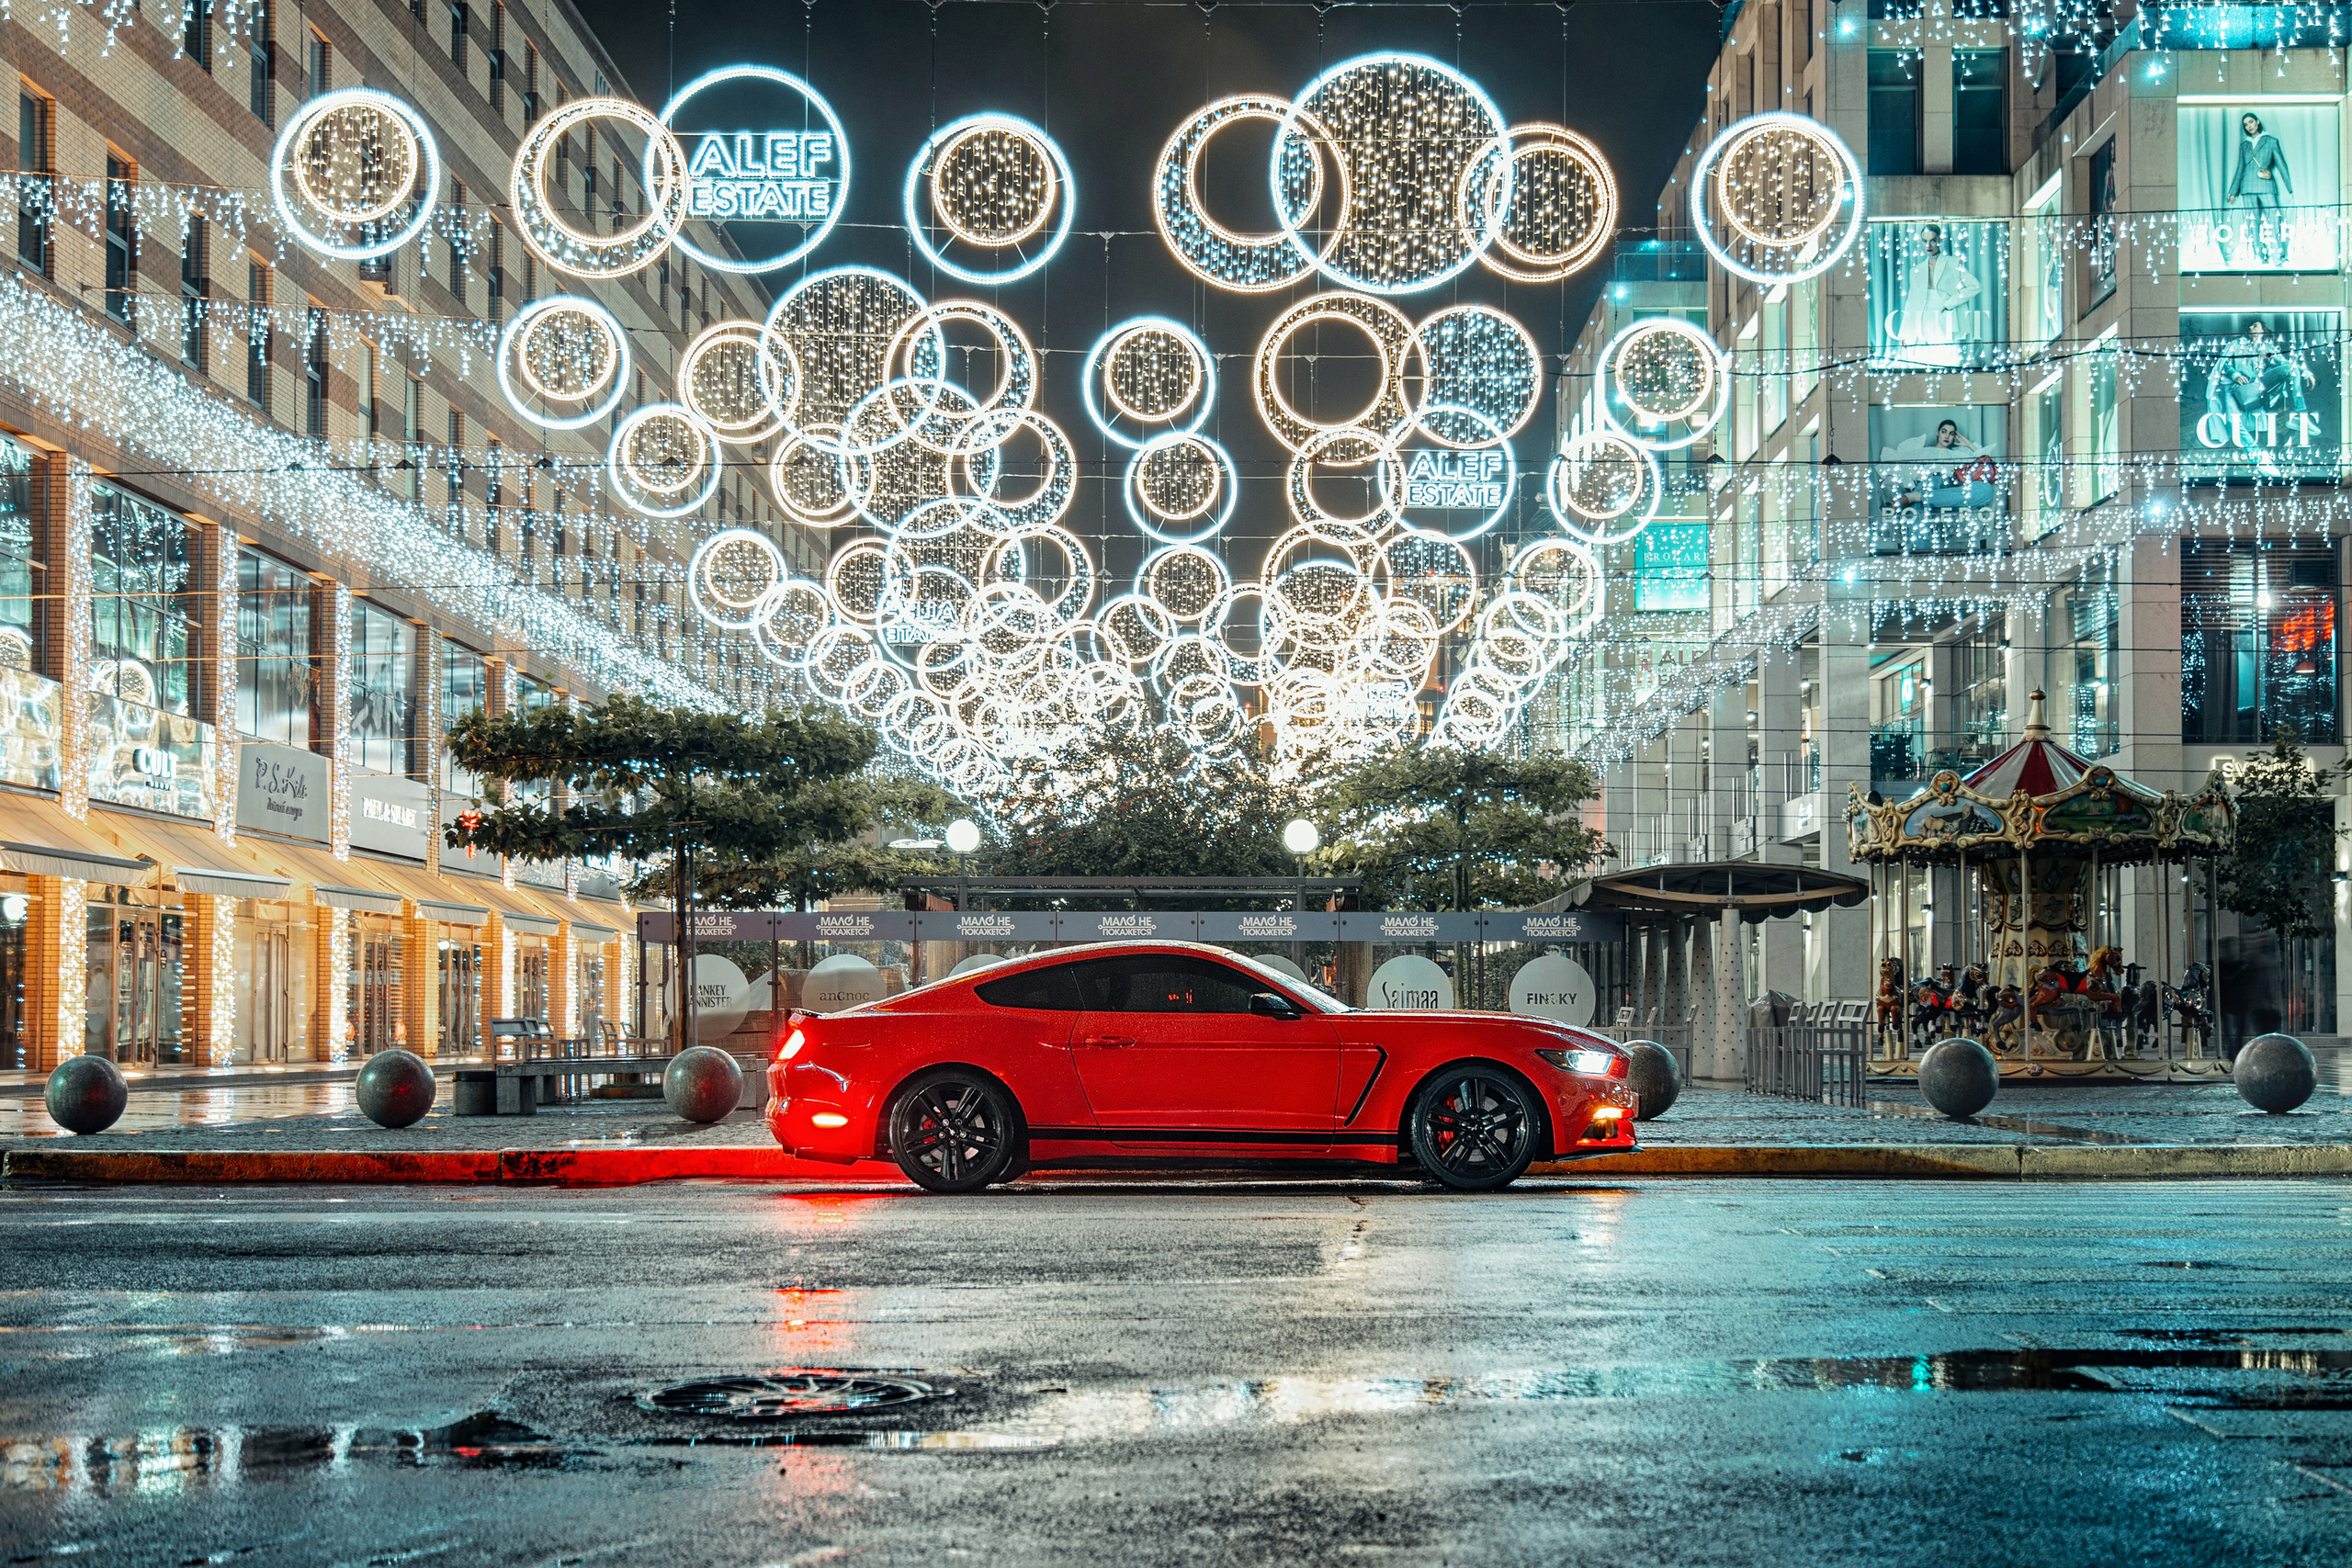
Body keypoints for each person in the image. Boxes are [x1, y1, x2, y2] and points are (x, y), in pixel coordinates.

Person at [2207, 318, 2314, 451]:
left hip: (2258, 384)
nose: (2251, 328)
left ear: (2263, 331)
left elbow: (2283, 362)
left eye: (2255, 326)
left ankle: (2298, 413)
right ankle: (2257, 454)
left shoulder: (2264, 351)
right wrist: (2235, 375)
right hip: (2236, 386)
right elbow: (2225, 363)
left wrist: (2305, 372)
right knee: (2233, 422)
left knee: (2292, 370)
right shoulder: (2237, 344)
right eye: (2250, 326)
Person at [1894, 222, 1983, 367]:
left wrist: (1949, 303)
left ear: (1940, 241)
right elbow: (1911, 301)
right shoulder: (1916, 270)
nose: (1928, 245)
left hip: (1944, 312)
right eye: (1925, 241)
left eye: (1933, 240)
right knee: (1924, 356)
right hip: (1923, 314)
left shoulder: (1953, 263)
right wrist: (1905, 331)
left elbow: (1975, 287)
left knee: (1946, 354)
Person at [2229, 112, 2294, 265]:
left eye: (2251, 122)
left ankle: (2278, 257)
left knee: (2274, 220)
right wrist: (2233, 190)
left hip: (2266, 185)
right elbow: (2240, 168)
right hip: (2247, 187)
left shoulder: (2271, 141)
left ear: (2257, 122)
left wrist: (2290, 186)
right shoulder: (2244, 146)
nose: (2249, 126)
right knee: (2253, 223)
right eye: (2246, 124)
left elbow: (2281, 165)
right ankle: (2259, 256)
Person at [1893, 419, 1998, 513]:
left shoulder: (1959, 454)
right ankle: (1924, 498)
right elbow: (1900, 464)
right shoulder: (1923, 451)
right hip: (1928, 482)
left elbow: (1985, 462)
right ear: (1938, 433)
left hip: (1950, 488)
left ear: (1954, 437)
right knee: (1918, 508)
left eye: (1951, 434)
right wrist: (1917, 476)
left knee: (1987, 490)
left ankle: (1917, 497)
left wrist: (1969, 445)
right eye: (1944, 432)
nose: (1947, 436)